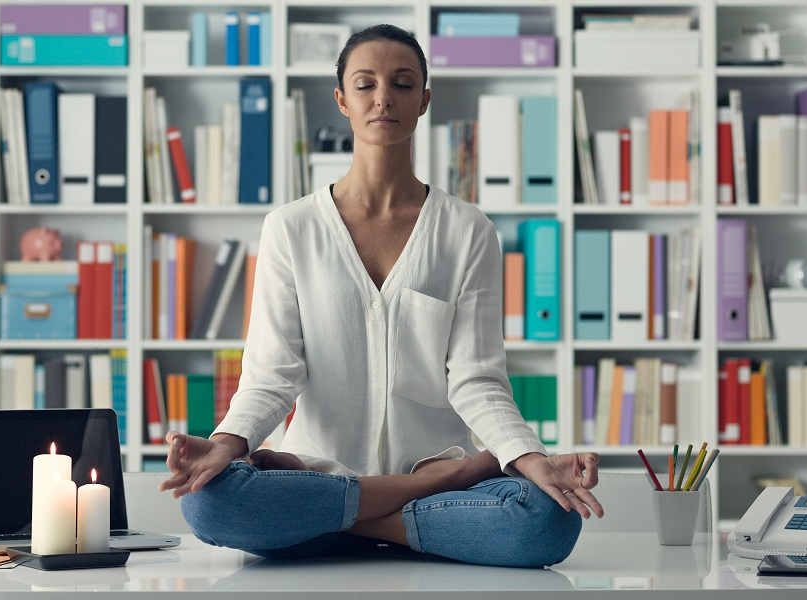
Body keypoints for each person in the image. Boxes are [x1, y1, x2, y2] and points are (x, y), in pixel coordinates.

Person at [159, 23, 604, 569]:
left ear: (424, 100)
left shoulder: (468, 231)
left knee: (548, 523)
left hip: (385, 492)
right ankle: (418, 503)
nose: (384, 98)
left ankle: (344, 525)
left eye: (402, 83)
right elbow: (271, 375)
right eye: (366, 84)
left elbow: (477, 378)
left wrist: (526, 458)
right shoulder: (290, 228)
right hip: (328, 474)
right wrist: (227, 443)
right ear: (342, 99)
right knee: (209, 505)